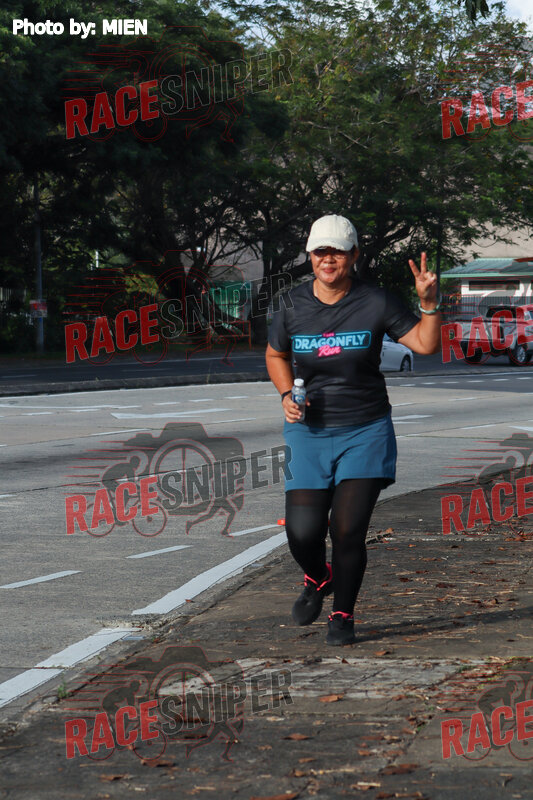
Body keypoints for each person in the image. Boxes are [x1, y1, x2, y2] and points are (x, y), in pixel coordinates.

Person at [265, 214, 441, 645]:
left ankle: (342, 615)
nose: (328, 260)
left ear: (354, 255)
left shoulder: (375, 301)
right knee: (302, 531)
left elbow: (424, 344)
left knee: (347, 529)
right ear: (310, 256)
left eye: (338, 252)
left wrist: (429, 303)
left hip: (365, 430)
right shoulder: (290, 304)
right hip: (307, 432)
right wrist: (286, 394)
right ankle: (318, 576)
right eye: (320, 251)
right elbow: (275, 355)